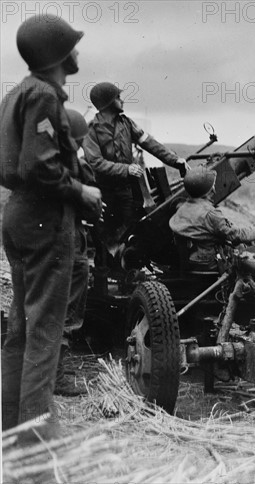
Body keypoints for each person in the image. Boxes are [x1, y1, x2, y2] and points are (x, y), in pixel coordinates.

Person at [0, 15, 102, 433]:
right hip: (45, 219)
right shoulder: (43, 96)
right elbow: (39, 166)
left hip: (18, 217)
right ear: (57, 54)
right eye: (72, 45)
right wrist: (82, 193)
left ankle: (11, 432)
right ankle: (38, 445)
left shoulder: (15, 95)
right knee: (44, 335)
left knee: (20, 331)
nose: (77, 52)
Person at [82, 82, 188, 248]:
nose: (122, 100)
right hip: (104, 192)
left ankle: (129, 268)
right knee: (105, 234)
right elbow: (96, 162)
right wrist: (126, 169)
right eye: (118, 97)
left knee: (132, 228)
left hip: (127, 190)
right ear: (108, 102)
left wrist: (175, 160)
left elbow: (150, 143)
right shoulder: (90, 130)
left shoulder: (127, 123)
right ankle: (105, 270)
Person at [53, 109, 97, 397]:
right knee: (67, 311)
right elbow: (91, 205)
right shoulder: (73, 168)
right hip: (67, 242)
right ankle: (56, 378)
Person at [169, 166, 255, 270]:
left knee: (245, 245)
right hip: (211, 264)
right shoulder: (210, 214)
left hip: (191, 261)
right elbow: (237, 235)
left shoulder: (181, 208)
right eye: (213, 184)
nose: (214, 187)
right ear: (211, 190)